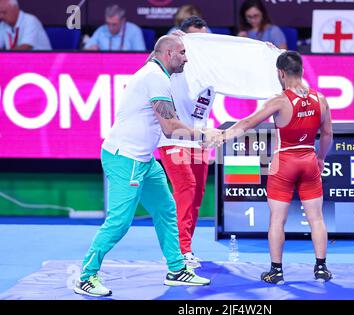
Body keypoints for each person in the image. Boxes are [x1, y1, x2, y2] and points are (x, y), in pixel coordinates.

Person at [74, 35, 220, 297]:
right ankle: (86, 276)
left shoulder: (155, 71)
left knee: (166, 209)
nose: (186, 58)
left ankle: (176, 269)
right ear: (168, 54)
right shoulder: (156, 77)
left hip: (144, 159)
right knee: (119, 222)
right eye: (183, 53)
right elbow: (169, 126)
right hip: (125, 158)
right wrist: (203, 135)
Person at [221, 51, 333, 284]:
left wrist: (222, 136)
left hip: (284, 162)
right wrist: (321, 157)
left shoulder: (279, 101)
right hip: (309, 159)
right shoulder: (320, 99)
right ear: (301, 71)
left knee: (276, 220)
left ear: (280, 74)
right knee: (316, 219)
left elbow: (248, 122)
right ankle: (321, 269)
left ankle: (276, 271)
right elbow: (328, 134)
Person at [157, 16, 209, 269]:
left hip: (199, 140)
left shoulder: (211, 68)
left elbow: (241, 66)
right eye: (194, 40)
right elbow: (156, 56)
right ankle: (180, 250)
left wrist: (263, 52)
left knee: (196, 194)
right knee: (186, 188)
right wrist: (175, 37)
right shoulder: (173, 64)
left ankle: (185, 246)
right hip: (174, 138)